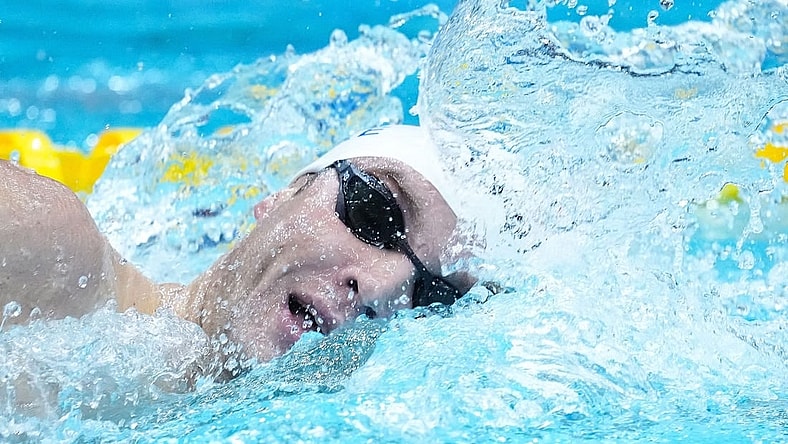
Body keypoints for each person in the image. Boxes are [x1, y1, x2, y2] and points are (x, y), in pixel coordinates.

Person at [0, 125, 472, 366]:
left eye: (430, 297)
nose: (379, 286)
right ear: (282, 197)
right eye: (375, 211)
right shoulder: (51, 251)